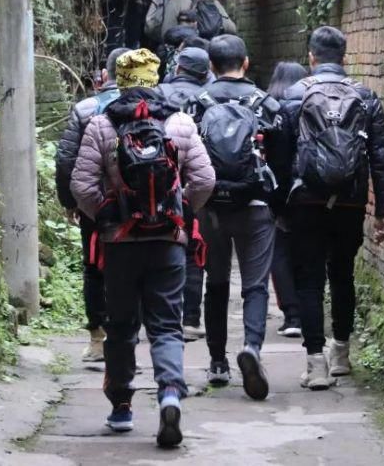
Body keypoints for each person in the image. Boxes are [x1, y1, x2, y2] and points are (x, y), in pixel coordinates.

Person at [71, 48, 215, 447]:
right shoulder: (180, 122)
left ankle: (121, 407)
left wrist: (107, 214)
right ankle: (170, 392)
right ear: (156, 79)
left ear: (119, 79)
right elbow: (204, 180)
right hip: (167, 240)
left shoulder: (102, 125)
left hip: (119, 243)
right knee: (166, 324)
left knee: (121, 326)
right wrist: (180, 211)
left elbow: (82, 185)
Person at [280, 27, 384, 390]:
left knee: (309, 280)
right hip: (350, 199)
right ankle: (341, 353)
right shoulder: (365, 96)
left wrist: (279, 205)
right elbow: (382, 157)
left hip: (306, 200)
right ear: (344, 56)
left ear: (310, 57)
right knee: (342, 273)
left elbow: (281, 155)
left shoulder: (295, 94)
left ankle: (315, 364)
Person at [193, 35, 286, 401]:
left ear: (212, 66)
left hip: (212, 206)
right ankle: (252, 347)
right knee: (255, 285)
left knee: (215, 283)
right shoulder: (267, 104)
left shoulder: (196, 104)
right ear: (245, 63)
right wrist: (276, 205)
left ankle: (217, 362)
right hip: (256, 206)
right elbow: (282, 158)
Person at [54, 48, 129, 361]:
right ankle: (128, 340)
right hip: (141, 202)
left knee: (94, 267)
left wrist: (71, 201)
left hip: (97, 204)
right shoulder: (150, 105)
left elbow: (66, 158)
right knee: (133, 269)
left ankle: (98, 339)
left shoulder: (86, 108)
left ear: (105, 74)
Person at [156, 47, 211, 341]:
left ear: (177, 68)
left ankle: (161, 318)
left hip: (154, 187)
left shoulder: (158, 93)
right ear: (206, 71)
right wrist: (191, 199)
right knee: (192, 252)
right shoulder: (208, 98)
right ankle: (191, 319)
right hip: (191, 188)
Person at [266, 61, 309, 338]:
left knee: (278, 252)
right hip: (308, 188)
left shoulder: (269, 105)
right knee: (306, 252)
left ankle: (291, 315)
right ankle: (307, 310)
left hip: (280, 189)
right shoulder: (309, 102)